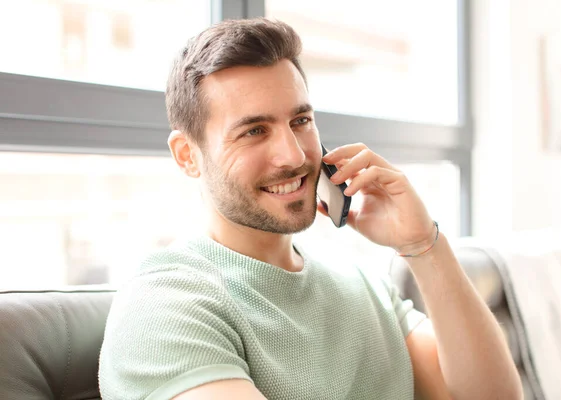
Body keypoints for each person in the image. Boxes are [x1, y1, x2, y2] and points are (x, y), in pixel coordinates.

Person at [99, 18, 522, 400]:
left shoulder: (360, 285)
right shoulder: (166, 305)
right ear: (187, 155)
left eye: (300, 121)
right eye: (254, 131)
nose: (292, 154)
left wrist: (424, 246)